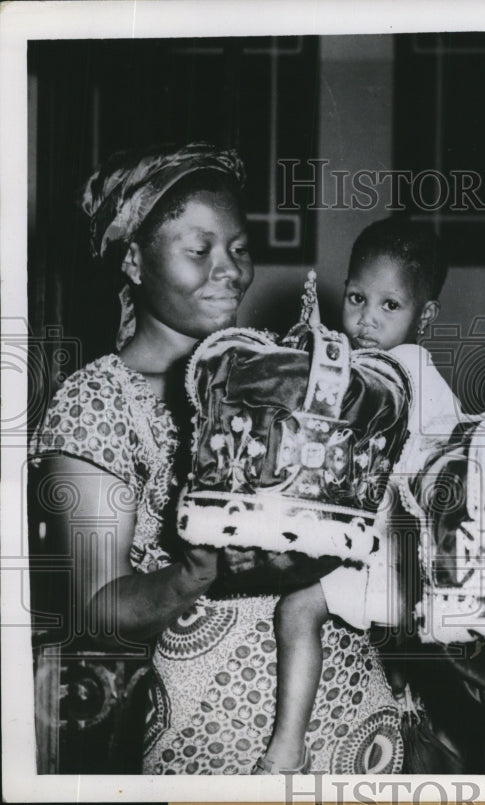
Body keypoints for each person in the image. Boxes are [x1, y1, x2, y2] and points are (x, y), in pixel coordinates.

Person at [29, 143, 402, 775]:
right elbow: (97, 609)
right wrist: (193, 574)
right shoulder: (95, 403)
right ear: (133, 260)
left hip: (352, 708)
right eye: (199, 251)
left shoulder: (275, 373)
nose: (229, 270)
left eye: (239, 248)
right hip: (216, 731)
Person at [256, 217, 460, 773]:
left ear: (426, 315)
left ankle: (286, 747)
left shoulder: (398, 371)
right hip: (396, 555)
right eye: (356, 298)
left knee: (297, 610)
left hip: (392, 554)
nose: (366, 319)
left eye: (390, 306)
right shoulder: (389, 367)